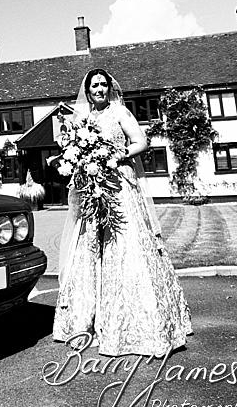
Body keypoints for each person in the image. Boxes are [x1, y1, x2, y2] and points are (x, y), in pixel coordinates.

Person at [52, 68, 192, 357]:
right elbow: (72, 146)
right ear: (88, 91)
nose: (99, 89)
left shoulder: (120, 112)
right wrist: (75, 156)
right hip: (93, 188)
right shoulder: (83, 119)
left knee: (126, 247)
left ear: (109, 88)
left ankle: (136, 325)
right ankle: (85, 321)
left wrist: (120, 154)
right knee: (90, 251)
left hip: (119, 186)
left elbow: (142, 141)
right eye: (94, 86)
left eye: (103, 85)